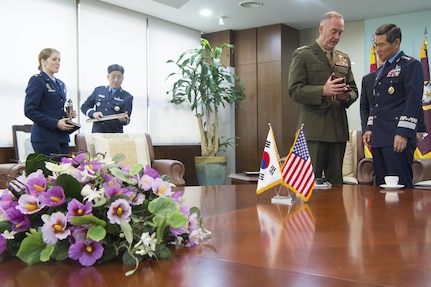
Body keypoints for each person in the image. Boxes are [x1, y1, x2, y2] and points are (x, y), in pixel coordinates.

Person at [287, 11, 358, 184]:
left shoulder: (344, 58)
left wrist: (345, 95)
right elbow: (294, 90)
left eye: (340, 32)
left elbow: (354, 90)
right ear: (321, 28)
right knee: (310, 184)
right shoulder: (303, 55)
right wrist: (322, 91)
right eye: (333, 31)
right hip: (313, 132)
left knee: (336, 186)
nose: (337, 36)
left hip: (338, 132)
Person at [362, 24, 424, 188]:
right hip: (379, 138)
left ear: (396, 43)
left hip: (397, 138)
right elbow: (375, 104)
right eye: (376, 45)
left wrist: (403, 133)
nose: (377, 49)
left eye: (381, 45)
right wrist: (369, 128)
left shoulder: (410, 65)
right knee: (381, 188)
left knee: (400, 188)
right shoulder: (381, 71)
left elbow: (413, 101)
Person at [24, 48, 77, 160]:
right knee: (51, 175)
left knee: (64, 173)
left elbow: (54, 109)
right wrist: (55, 123)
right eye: (54, 59)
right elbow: (30, 110)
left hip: (61, 137)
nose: (58, 63)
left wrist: (68, 115)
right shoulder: (37, 80)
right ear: (43, 62)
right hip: (45, 138)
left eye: (59, 60)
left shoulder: (60, 84)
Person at [81, 64, 133, 133]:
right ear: (108, 77)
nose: (116, 80)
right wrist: (93, 113)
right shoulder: (98, 90)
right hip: (98, 133)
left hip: (115, 135)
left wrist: (124, 120)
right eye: (113, 76)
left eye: (119, 77)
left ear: (123, 78)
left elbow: (127, 119)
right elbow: (84, 107)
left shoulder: (127, 97)